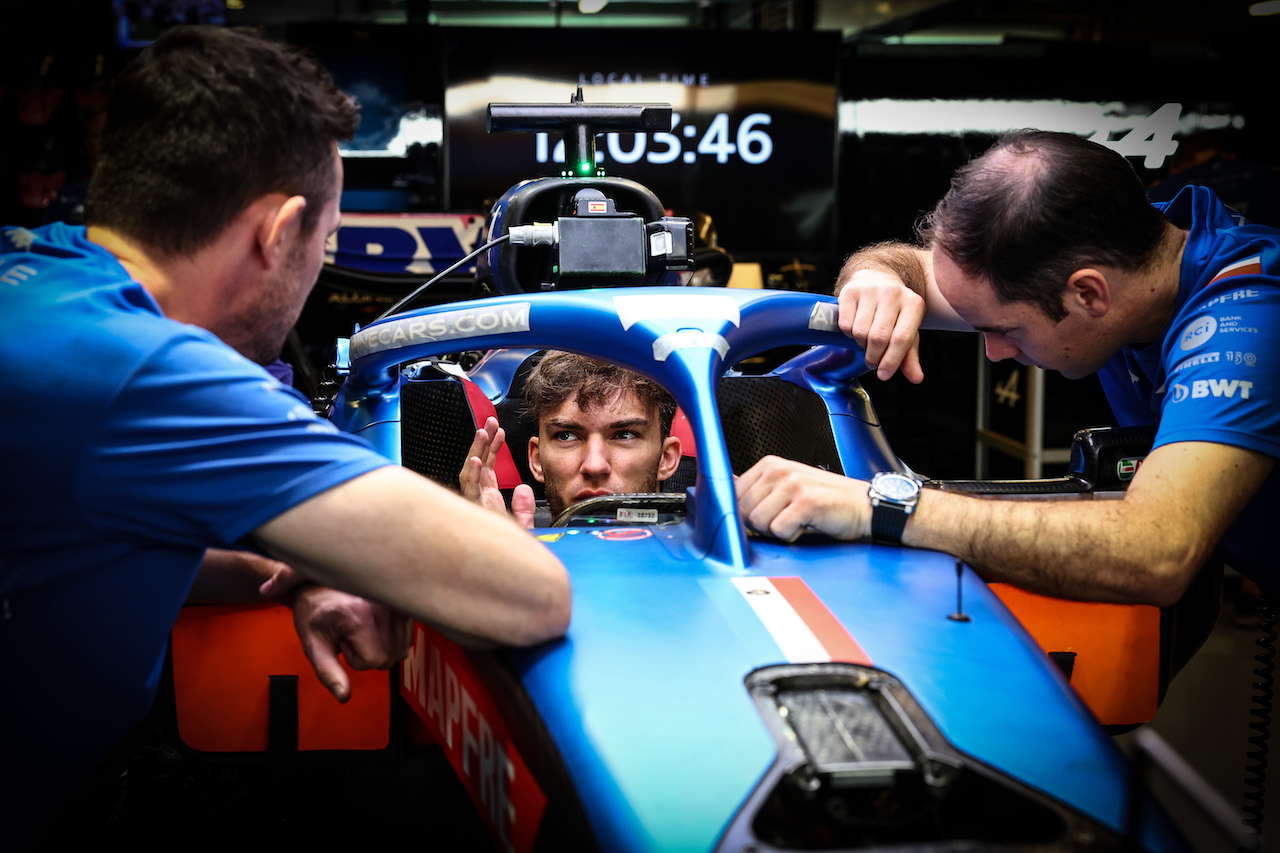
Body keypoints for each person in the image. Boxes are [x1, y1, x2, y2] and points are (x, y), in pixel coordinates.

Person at [0, 25, 569, 844]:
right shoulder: (145, 371)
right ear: (277, 231)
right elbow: (530, 590)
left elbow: (96, 538)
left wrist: (315, 560)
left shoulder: (40, 276)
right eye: (325, 243)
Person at [737, 129, 1280, 608]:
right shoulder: (1128, 242)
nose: (993, 351)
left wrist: (882, 507)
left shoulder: (1251, 316)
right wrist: (875, 274)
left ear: (1089, 294)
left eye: (1006, 329)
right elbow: (920, 269)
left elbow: (1157, 551)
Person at [459, 350, 683, 526]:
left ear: (666, 458)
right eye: (566, 436)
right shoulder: (509, 557)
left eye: (624, 435)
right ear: (536, 460)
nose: (594, 466)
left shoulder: (713, 558)